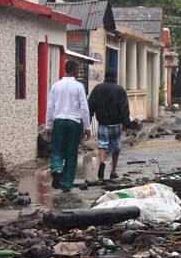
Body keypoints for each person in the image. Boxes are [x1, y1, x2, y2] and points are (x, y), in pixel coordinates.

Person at [41, 61, 92, 192]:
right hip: (73, 123)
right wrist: (87, 126)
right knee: (71, 153)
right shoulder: (79, 86)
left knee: (57, 150)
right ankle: (66, 184)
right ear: (75, 71)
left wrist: (48, 125)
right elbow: (84, 108)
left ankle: (57, 168)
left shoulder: (55, 86)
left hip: (58, 122)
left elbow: (50, 106)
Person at [88, 68, 131, 182]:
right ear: (115, 77)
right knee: (116, 148)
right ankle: (113, 171)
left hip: (103, 123)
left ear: (105, 76)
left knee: (102, 145)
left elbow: (90, 105)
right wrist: (127, 124)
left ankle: (102, 162)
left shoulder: (97, 89)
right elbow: (124, 108)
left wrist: (88, 120)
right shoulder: (120, 89)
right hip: (116, 123)